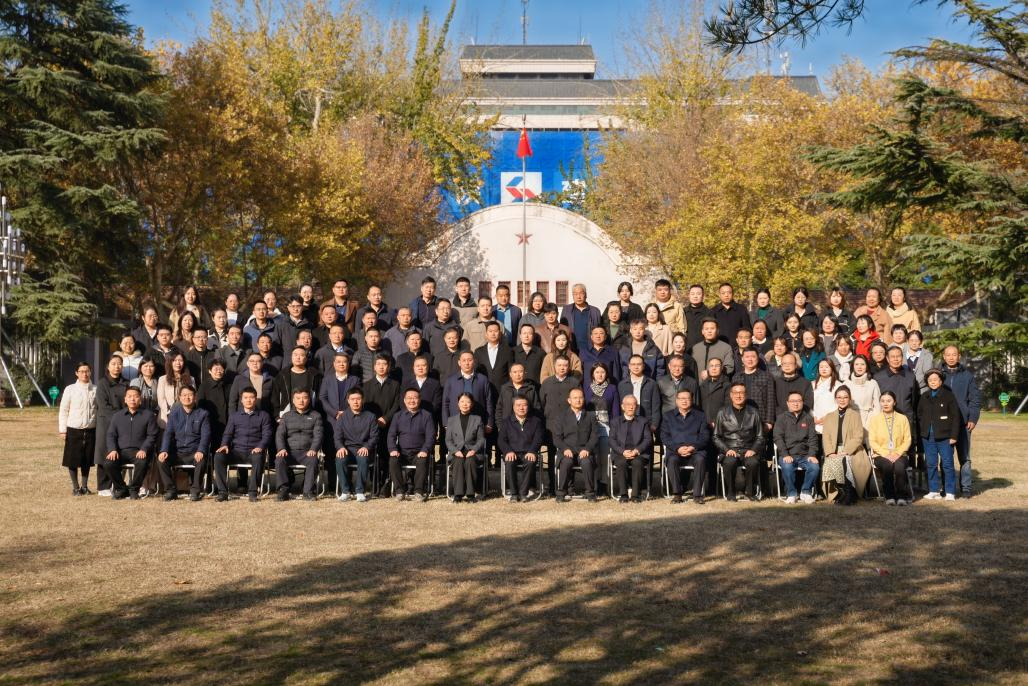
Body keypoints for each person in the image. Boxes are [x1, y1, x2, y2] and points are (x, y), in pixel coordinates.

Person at [214, 386, 273, 502]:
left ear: (255, 399)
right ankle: (222, 492)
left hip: (254, 452)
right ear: (241, 400)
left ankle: (253, 492)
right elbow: (227, 434)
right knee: (218, 456)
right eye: (245, 398)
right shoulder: (234, 416)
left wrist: (260, 447)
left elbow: (267, 435)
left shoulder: (264, 416)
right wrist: (224, 444)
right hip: (236, 452)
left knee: (258, 457)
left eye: (251, 397)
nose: (248, 400)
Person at [103, 386, 158, 500]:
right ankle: (121, 488)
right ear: (125, 399)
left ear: (140, 399)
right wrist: (112, 449)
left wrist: (144, 449)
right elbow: (111, 435)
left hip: (139, 451)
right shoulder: (117, 416)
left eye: (135, 396)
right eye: (129, 396)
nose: (132, 399)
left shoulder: (148, 415)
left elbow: (152, 435)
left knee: (142, 463)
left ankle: (134, 489)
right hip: (121, 451)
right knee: (108, 463)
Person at [157, 385, 211, 501]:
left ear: (195, 397)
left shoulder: (203, 414)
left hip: (194, 452)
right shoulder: (174, 414)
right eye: (184, 395)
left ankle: (195, 491)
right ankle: (171, 490)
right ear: (180, 398)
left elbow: (205, 436)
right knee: (161, 460)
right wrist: (164, 450)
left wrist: (201, 450)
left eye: (190, 395)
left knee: (201, 460)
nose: (187, 398)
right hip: (178, 452)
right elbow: (168, 434)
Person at [820, 385, 870, 505]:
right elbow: (826, 436)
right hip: (834, 450)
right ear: (835, 399)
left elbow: (858, 436)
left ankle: (849, 492)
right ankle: (841, 492)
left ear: (850, 399)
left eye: (845, 397)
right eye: (839, 397)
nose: (842, 400)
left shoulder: (855, 415)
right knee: (830, 461)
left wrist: (846, 451)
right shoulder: (829, 416)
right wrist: (830, 452)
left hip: (853, 450)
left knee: (844, 461)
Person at [941, 345, 980, 499]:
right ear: (944, 357)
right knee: (945, 457)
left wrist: (973, 418)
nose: (951, 357)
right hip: (944, 424)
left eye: (954, 354)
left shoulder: (967, 376)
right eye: (948, 354)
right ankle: (947, 488)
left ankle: (966, 488)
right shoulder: (938, 375)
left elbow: (974, 399)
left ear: (959, 356)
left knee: (965, 457)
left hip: (964, 423)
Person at [713, 382, 763, 501]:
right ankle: (731, 492)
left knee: (753, 463)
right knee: (729, 462)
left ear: (746, 395)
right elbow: (716, 437)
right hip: (730, 449)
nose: (738, 395)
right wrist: (727, 450)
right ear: (731, 395)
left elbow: (760, 436)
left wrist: (753, 450)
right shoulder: (722, 412)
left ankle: (750, 492)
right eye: (735, 393)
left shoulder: (754, 412)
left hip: (748, 449)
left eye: (741, 392)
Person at [918, 369, 962, 501]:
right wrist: (923, 429)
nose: (933, 382)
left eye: (935, 380)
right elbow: (919, 414)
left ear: (941, 381)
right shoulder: (924, 396)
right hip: (928, 437)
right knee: (931, 464)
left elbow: (956, 417)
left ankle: (950, 492)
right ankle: (933, 490)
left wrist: (954, 436)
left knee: (947, 464)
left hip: (945, 437)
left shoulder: (948, 396)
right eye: (930, 380)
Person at [540, 356, 581, 494]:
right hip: (551, 425)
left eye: (565, 365)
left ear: (568, 367)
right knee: (552, 455)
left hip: (570, 426)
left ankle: (569, 487)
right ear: (554, 366)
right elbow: (542, 403)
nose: (562, 368)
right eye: (559, 365)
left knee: (569, 454)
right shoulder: (547, 383)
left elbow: (579, 402)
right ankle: (552, 486)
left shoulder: (574, 382)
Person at [361, 354, 402, 495]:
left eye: (384, 364)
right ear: (374, 367)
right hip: (372, 426)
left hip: (389, 425)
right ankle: (374, 484)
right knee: (373, 454)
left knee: (386, 454)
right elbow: (365, 406)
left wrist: (386, 418)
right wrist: (374, 421)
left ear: (388, 367)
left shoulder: (395, 385)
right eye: (378, 364)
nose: (381, 367)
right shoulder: (366, 385)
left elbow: (397, 404)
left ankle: (386, 483)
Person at [661, 389, 710, 504]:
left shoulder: (700, 416)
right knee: (672, 460)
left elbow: (705, 436)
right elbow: (664, 436)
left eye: (687, 398)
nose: (684, 401)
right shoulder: (668, 416)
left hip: (695, 451)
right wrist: (677, 448)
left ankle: (697, 495)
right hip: (675, 451)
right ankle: (677, 494)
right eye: (681, 398)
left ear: (691, 400)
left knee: (700, 459)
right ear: (676, 401)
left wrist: (693, 447)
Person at [387, 388, 436, 501]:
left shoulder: (427, 416)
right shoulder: (398, 416)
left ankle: (419, 492)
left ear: (419, 400)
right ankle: (399, 491)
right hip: (402, 453)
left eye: (414, 398)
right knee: (393, 460)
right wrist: (393, 449)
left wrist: (425, 450)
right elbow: (391, 435)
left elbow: (431, 436)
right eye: (409, 398)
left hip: (419, 453)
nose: (412, 400)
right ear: (404, 400)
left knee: (423, 460)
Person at [274, 389, 323, 501]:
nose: (301, 401)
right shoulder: (286, 416)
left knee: (313, 460)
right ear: (293, 400)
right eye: (298, 398)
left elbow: (318, 435)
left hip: (307, 452)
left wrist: (313, 449)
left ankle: (308, 492)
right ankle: (283, 490)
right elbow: (280, 435)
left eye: (304, 398)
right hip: (289, 452)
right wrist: (281, 449)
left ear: (309, 399)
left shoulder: (316, 416)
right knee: (279, 459)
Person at [773, 391, 820, 504]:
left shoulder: (808, 418)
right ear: (788, 403)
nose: (796, 403)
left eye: (799, 401)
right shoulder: (781, 418)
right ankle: (791, 493)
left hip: (805, 455)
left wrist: (812, 454)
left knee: (815, 467)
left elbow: (813, 439)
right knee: (787, 466)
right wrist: (785, 454)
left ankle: (805, 492)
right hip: (788, 454)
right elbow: (778, 438)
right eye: (793, 401)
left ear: (802, 403)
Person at [553, 388, 599, 502]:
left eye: (580, 397)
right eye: (575, 398)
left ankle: (590, 493)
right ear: (569, 400)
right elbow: (557, 438)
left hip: (584, 451)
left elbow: (594, 436)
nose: (578, 400)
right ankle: (561, 493)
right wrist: (565, 449)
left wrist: (587, 449)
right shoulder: (561, 417)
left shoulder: (590, 416)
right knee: (566, 462)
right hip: (567, 451)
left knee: (586, 462)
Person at [333, 387, 378, 502]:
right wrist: (340, 447)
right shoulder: (342, 417)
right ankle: (345, 491)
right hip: (347, 449)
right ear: (348, 401)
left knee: (363, 457)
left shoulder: (371, 417)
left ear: (362, 400)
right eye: (352, 399)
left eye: (358, 399)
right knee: (340, 458)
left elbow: (374, 437)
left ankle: (360, 491)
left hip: (363, 448)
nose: (355, 402)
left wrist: (367, 447)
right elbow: (337, 437)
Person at [868, 391, 912, 505]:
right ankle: (889, 496)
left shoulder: (903, 418)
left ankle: (901, 496)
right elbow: (872, 441)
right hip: (880, 455)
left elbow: (907, 440)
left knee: (899, 466)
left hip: (900, 454)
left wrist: (897, 453)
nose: (885, 403)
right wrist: (886, 454)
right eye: (882, 401)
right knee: (887, 465)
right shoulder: (875, 420)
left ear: (894, 402)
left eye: (889, 401)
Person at [59, 361, 96, 496]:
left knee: (87, 460)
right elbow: (64, 410)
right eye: (81, 371)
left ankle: (85, 487)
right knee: (72, 460)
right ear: (76, 373)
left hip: (90, 429)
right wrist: (62, 430)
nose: (85, 374)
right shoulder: (70, 389)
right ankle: (76, 487)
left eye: (87, 371)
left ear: (90, 372)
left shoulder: (95, 389)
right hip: (73, 429)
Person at [498, 394, 544, 502]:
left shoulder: (536, 421)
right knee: (509, 462)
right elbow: (501, 440)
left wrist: (532, 451)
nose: (521, 408)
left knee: (530, 462)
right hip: (512, 453)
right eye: (518, 405)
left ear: (528, 406)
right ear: (513, 407)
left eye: (524, 405)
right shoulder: (506, 422)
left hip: (528, 452)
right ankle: (514, 493)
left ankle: (523, 493)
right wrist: (508, 451)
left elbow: (538, 439)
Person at [583, 362, 620, 497]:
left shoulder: (612, 389)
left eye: (603, 372)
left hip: (606, 428)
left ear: (606, 374)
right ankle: (592, 485)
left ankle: (604, 485)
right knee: (592, 457)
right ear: (592, 374)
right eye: (597, 372)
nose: (600, 375)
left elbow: (615, 411)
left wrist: (615, 429)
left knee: (604, 458)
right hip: (590, 428)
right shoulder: (586, 388)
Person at [608, 394, 652, 502]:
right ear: (623, 407)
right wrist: (622, 451)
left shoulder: (643, 421)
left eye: (633, 404)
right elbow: (612, 440)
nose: (631, 407)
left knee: (637, 463)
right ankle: (623, 494)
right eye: (628, 404)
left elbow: (648, 439)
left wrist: (637, 451)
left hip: (638, 454)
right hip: (620, 453)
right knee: (621, 463)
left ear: (637, 407)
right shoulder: (615, 422)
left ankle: (635, 495)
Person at [445, 392, 486, 503]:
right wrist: (455, 451)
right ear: (458, 404)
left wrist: (473, 450)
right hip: (457, 451)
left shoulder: (477, 419)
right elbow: (448, 440)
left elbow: (481, 439)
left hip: (472, 452)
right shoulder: (451, 420)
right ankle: (458, 494)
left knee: (470, 462)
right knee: (458, 462)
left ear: (472, 404)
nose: (465, 404)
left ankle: (470, 494)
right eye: (462, 401)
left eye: (468, 402)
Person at [874, 346, 918, 441]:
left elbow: (914, 400)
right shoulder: (878, 377)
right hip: (885, 420)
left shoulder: (910, 376)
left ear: (902, 357)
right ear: (887, 359)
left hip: (906, 419)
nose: (895, 359)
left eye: (898, 356)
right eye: (892, 357)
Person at [732, 349, 776, 433]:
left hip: (760, 418)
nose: (750, 359)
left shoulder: (767, 376)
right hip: (740, 419)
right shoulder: (736, 377)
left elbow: (771, 400)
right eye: (747, 357)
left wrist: (769, 421)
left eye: (753, 356)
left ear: (758, 359)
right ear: (742, 359)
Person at [271, 346, 322, 418]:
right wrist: (277, 416)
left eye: (301, 355)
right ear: (291, 357)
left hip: (310, 416)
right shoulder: (282, 375)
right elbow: (275, 397)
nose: (298, 357)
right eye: (295, 355)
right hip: (287, 416)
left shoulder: (315, 375)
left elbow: (319, 396)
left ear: (306, 358)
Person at [473, 321, 513, 398]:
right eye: (490, 331)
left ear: (500, 333)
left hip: (503, 392)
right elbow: (476, 372)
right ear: (486, 334)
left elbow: (510, 372)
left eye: (495, 331)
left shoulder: (508, 351)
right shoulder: (478, 352)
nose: (493, 334)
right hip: (484, 391)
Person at [197, 359, 231, 449]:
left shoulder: (228, 384)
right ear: (210, 371)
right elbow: (200, 405)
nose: (219, 371)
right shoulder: (204, 385)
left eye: (221, 369)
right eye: (216, 369)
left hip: (227, 421)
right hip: (211, 421)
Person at [559, 284, 602, 353]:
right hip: (571, 349)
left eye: (581, 293)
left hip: (590, 349)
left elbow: (600, 330)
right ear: (573, 296)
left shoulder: (595, 311)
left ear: (586, 295)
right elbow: (562, 329)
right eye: (575, 294)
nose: (578, 296)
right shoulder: (566, 310)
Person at [156, 350, 193, 430]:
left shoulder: (191, 379)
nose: (178, 363)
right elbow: (161, 399)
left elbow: (193, 398)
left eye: (180, 360)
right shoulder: (162, 379)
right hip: (167, 417)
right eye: (174, 360)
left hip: (185, 417)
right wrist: (169, 413)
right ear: (170, 362)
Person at [847, 355, 881, 427]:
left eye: (862, 364)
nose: (859, 367)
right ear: (853, 366)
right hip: (850, 419)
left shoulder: (872, 383)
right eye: (856, 364)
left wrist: (872, 420)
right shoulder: (847, 383)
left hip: (868, 419)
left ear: (867, 366)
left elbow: (878, 405)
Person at [811, 359, 841, 435]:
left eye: (827, 367)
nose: (824, 369)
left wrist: (829, 417)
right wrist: (813, 416)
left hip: (832, 422)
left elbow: (840, 404)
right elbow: (809, 402)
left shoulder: (838, 385)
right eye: (821, 367)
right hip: (815, 422)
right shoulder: (812, 384)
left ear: (832, 368)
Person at [683, 284, 711, 350]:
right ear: (689, 295)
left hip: (704, 349)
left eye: (698, 294)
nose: (695, 296)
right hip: (686, 349)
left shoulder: (709, 313)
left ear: (703, 296)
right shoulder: (683, 312)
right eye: (692, 294)